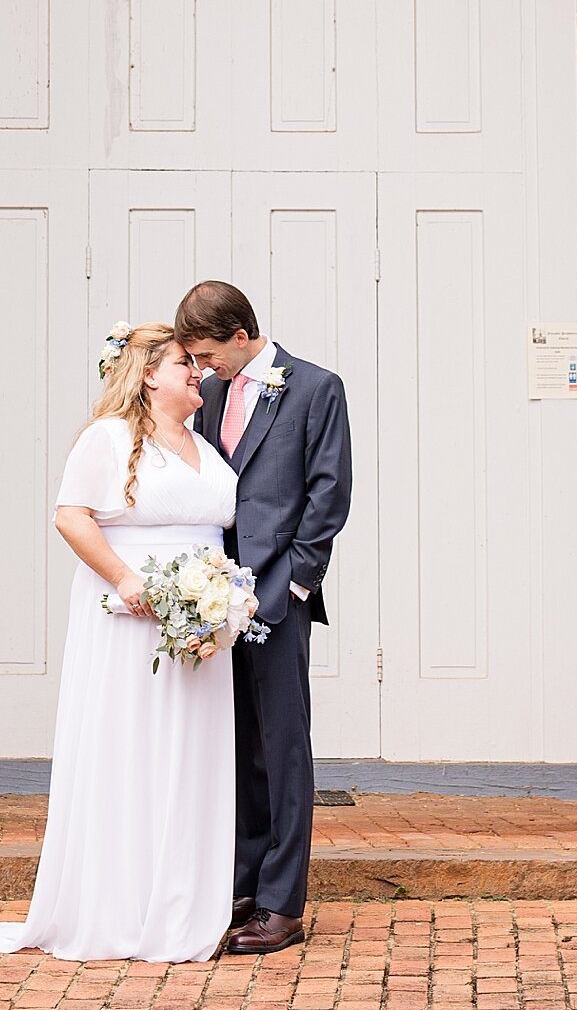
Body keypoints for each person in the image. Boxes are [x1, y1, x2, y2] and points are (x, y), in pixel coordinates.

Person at [0, 323, 238, 964]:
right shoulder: (109, 439)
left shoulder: (203, 444)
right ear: (147, 374)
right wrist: (128, 580)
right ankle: (117, 907)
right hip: (129, 620)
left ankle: (181, 902)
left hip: (199, 629)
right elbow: (70, 515)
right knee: (130, 751)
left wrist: (226, 596)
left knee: (188, 758)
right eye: (183, 362)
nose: (197, 370)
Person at [176, 280, 352, 956]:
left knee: (283, 749)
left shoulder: (315, 387)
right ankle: (243, 887)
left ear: (242, 334)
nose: (202, 367)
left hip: (279, 598)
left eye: (208, 352)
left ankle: (284, 904)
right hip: (218, 597)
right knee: (240, 745)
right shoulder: (211, 395)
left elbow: (328, 493)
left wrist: (296, 586)